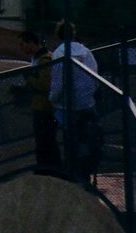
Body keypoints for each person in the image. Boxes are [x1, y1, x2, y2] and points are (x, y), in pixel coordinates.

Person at [49, 21, 101, 180]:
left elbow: (58, 83)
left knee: (69, 139)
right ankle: (86, 172)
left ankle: (72, 172)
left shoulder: (58, 54)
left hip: (66, 106)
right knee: (87, 139)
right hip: (86, 102)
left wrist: (52, 99)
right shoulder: (85, 52)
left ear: (58, 35)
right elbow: (95, 76)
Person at [12, 30, 61, 168]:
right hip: (42, 106)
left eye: (22, 44)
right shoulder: (39, 59)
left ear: (31, 43)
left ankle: (48, 168)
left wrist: (28, 78)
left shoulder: (44, 60)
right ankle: (48, 168)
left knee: (46, 141)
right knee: (45, 141)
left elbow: (44, 85)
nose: (20, 48)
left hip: (44, 107)